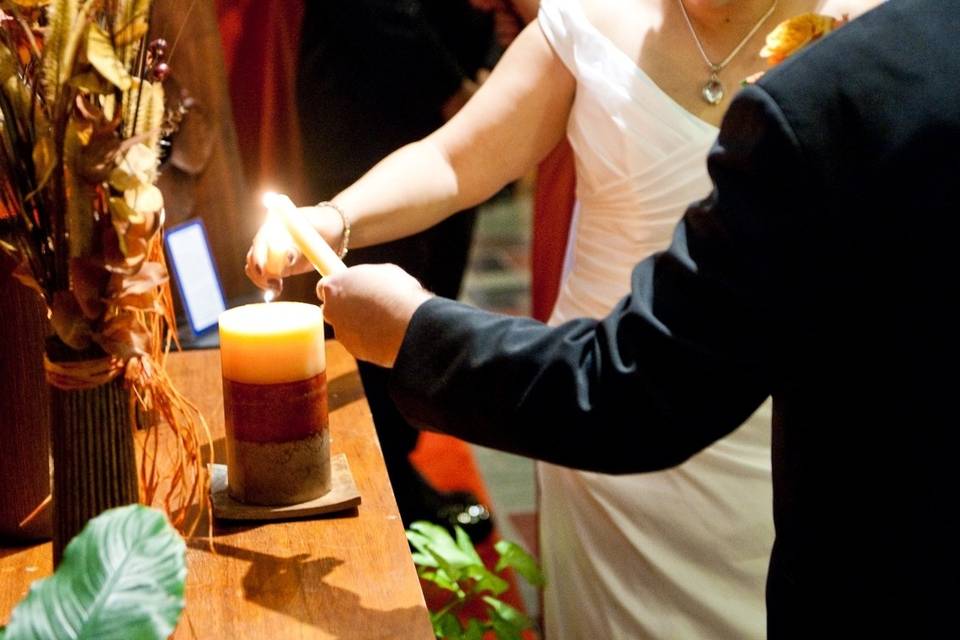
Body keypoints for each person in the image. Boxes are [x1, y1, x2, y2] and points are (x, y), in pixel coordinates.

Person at [312, 0, 959, 636]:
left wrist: (414, 332)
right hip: (587, 405)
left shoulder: (869, 44)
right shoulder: (588, 18)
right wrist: (338, 218)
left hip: (771, 427)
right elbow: (453, 161)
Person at [289, 0, 500, 541]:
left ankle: (397, 464)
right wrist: (451, 88)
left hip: (450, 93)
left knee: (430, 274)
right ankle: (387, 481)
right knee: (377, 293)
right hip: (376, 101)